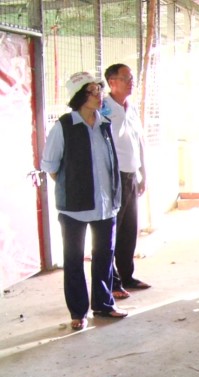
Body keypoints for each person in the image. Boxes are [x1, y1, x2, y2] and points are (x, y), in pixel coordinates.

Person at [41, 71, 128, 330]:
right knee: (74, 259)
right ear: (79, 96)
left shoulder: (104, 124)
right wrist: (74, 187)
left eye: (100, 89)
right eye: (93, 91)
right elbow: (51, 165)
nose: (99, 95)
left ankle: (103, 304)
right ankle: (78, 312)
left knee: (104, 256)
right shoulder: (64, 127)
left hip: (106, 206)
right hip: (74, 208)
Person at [102, 63, 150, 299]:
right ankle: (112, 282)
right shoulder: (103, 109)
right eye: (126, 78)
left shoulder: (130, 108)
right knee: (112, 231)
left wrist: (143, 173)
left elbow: (139, 142)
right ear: (112, 82)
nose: (132, 82)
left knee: (130, 230)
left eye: (131, 78)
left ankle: (127, 276)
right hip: (114, 177)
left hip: (131, 175)